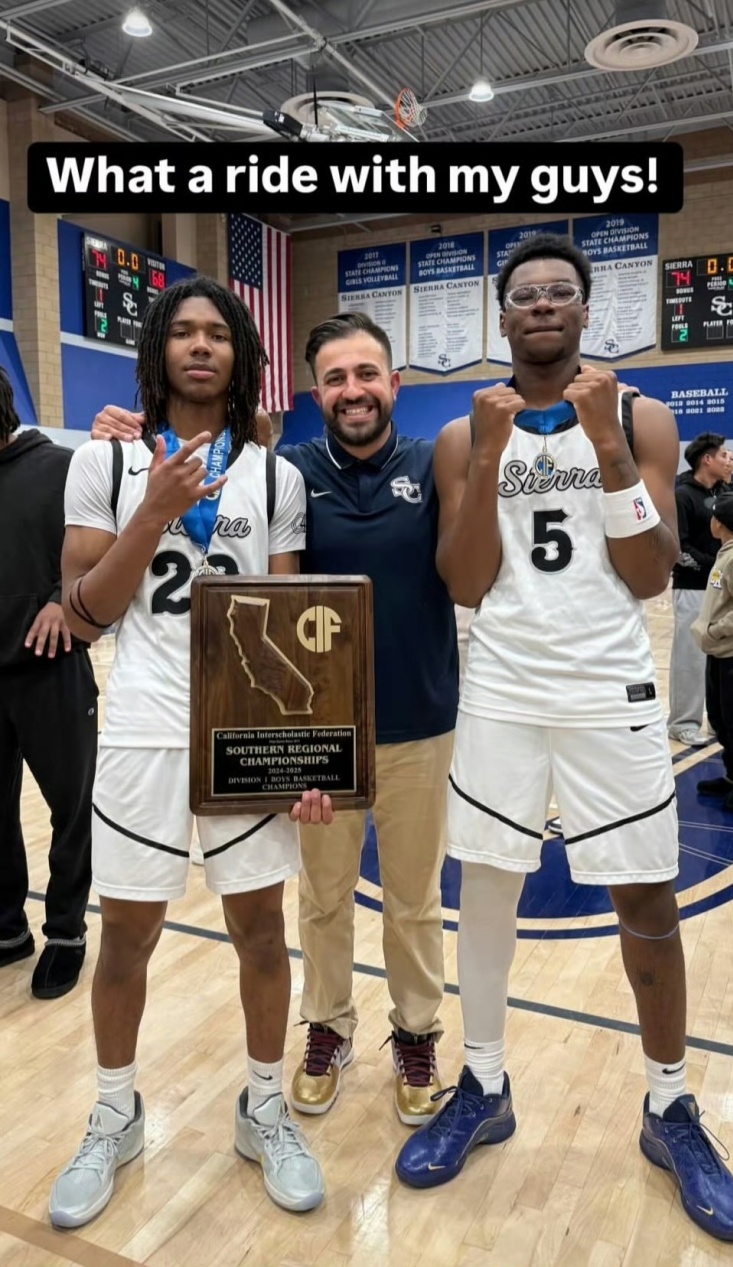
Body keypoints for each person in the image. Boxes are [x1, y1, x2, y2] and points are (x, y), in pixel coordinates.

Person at [394, 234, 733, 1244]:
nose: (543, 304)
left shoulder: (641, 416)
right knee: (487, 886)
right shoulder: (465, 433)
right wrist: (492, 453)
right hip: (504, 689)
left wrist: (605, 447)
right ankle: (485, 1083)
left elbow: (649, 571)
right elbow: (466, 581)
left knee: (646, 893)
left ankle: (669, 1104)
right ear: (502, 316)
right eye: (525, 294)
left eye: (560, 291)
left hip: (608, 689)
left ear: (587, 312)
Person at [91, 311, 459, 1129]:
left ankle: (416, 1033)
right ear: (314, 393)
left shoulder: (433, 463)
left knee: (414, 898)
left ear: (395, 384)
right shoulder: (286, 470)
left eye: (367, 374)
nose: (353, 390)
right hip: (319, 729)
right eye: (335, 378)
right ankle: (327, 1028)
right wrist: (127, 427)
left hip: (420, 717)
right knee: (323, 897)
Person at [49, 277, 331, 1230]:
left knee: (262, 931)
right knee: (126, 937)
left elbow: (291, 624)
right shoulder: (104, 459)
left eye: (218, 332)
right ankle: (114, 1113)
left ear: (242, 352)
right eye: (183, 332)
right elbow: (83, 611)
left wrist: (302, 756)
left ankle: (264, 1106)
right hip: (141, 728)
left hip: (244, 730)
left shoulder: (275, 476)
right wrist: (153, 510)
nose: (201, 345)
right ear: (158, 350)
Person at [0, 368, 98, 999]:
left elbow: (106, 553)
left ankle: (66, 932)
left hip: (52, 668)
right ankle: (7, 928)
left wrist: (66, 600)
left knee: (70, 808)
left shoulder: (64, 468)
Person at [668, 432, 733, 747]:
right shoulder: (683, 496)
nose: (728, 460)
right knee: (690, 657)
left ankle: (717, 721)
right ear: (706, 459)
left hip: (723, 588)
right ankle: (682, 723)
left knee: (720, 658)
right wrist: (714, 565)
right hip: (693, 586)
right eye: (722, 455)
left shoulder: (725, 494)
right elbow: (679, 547)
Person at [692, 492, 733, 812]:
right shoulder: (727, 553)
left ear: (722, 524)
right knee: (720, 717)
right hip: (720, 651)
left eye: (714, 515)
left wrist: (717, 630)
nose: (710, 519)